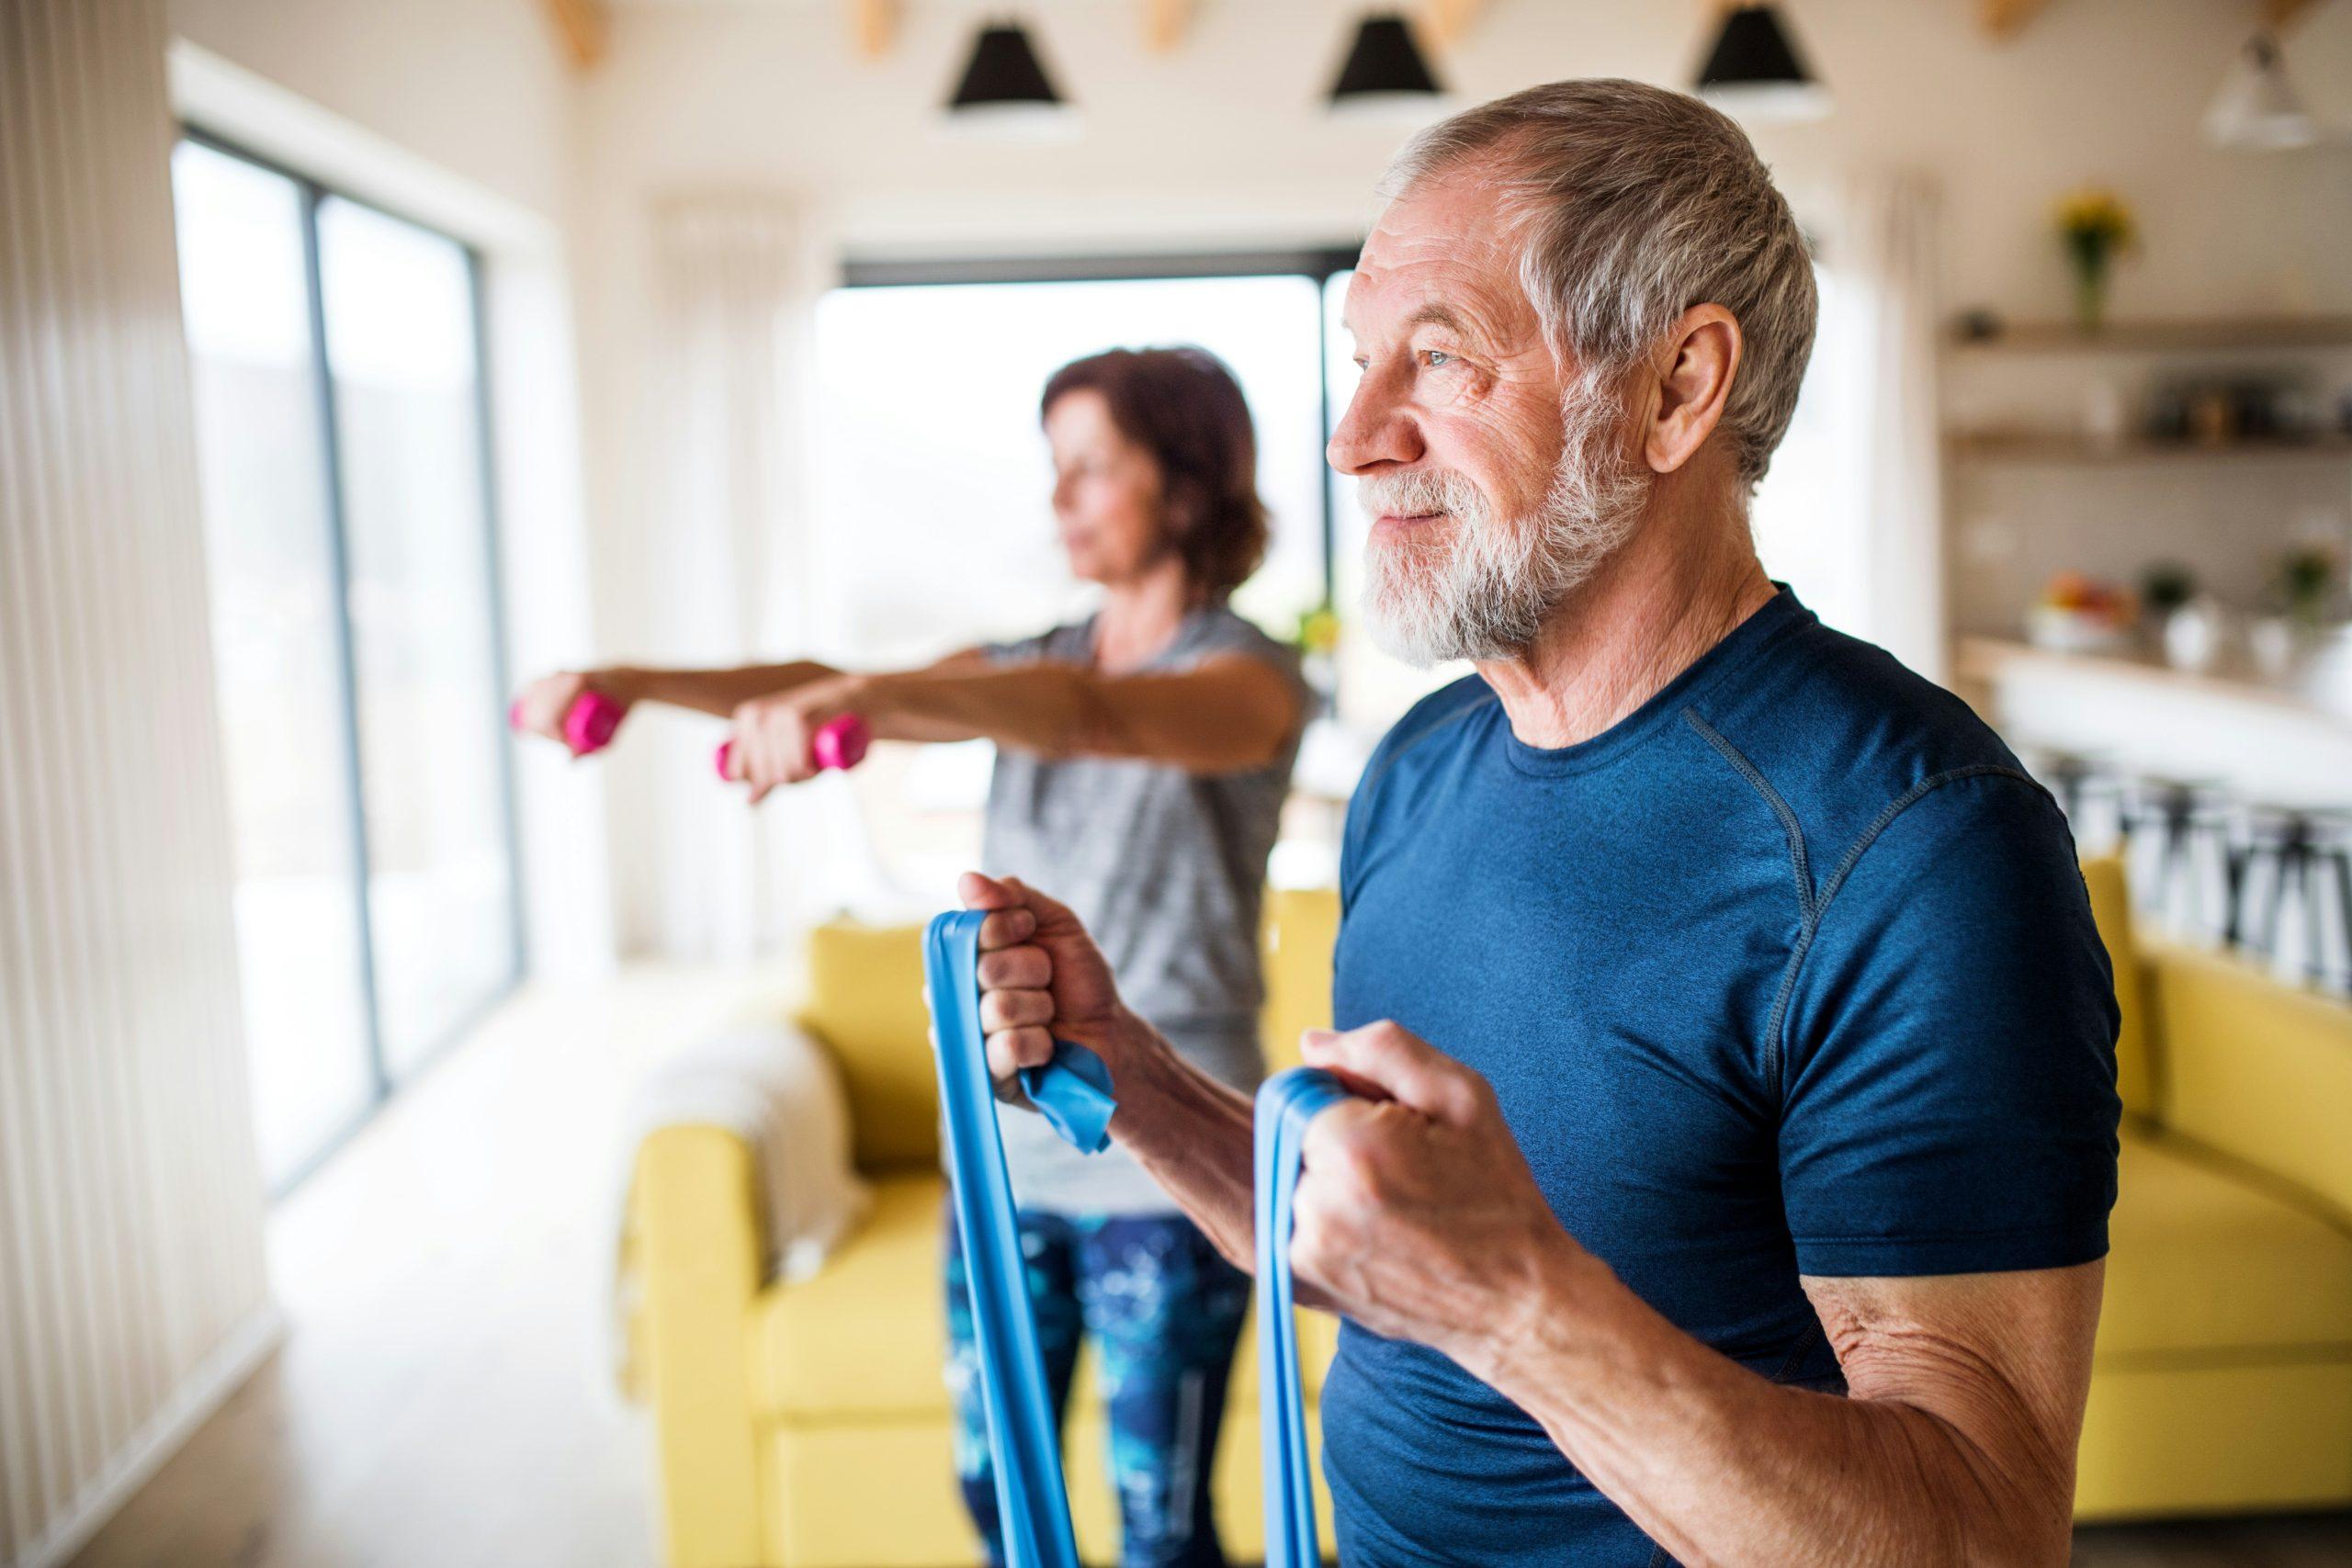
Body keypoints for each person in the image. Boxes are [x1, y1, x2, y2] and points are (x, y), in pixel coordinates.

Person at [960, 80, 2121, 1567]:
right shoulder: (1423, 764)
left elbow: (1982, 1536)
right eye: (1361, 360)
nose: (1355, 438)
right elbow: (1385, 1256)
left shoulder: (1916, 851)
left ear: (1676, 388)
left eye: (1438, 358)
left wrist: (1520, 1305)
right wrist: (1139, 1084)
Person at [514, 347, 1306, 1568]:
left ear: (1189, 487)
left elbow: (1084, 713)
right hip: (1000, 1156)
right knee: (996, 1507)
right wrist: (641, 684)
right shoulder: (1026, 661)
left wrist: (866, 710)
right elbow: (836, 681)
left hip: (1173, 1163)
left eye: (1093, 469)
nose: (1062, 502)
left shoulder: (1246, 677)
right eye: (1056, 470)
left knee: (1162, 1527)